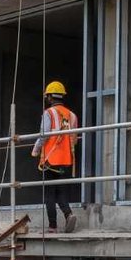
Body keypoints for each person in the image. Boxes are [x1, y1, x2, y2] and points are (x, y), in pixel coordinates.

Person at [32, 81, 80, 233]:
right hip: (66, 160)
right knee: (60, 192)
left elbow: (44, 135)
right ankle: (68, 214)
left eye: (47, 97)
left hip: (50, 159)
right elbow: (74, 139)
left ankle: (52, 226)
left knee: (49, 193)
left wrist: (35, 149)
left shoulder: (49, 113)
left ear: (50, 97)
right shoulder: (72, 116)